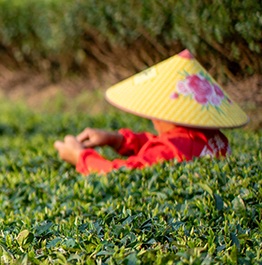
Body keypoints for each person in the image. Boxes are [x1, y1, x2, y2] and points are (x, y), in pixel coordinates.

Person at [54, 50, 247, 175]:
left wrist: (80, 157)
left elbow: (122, 174)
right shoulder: (210, 137)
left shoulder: (173, 149)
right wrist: (117, 139)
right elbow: (166, 148)